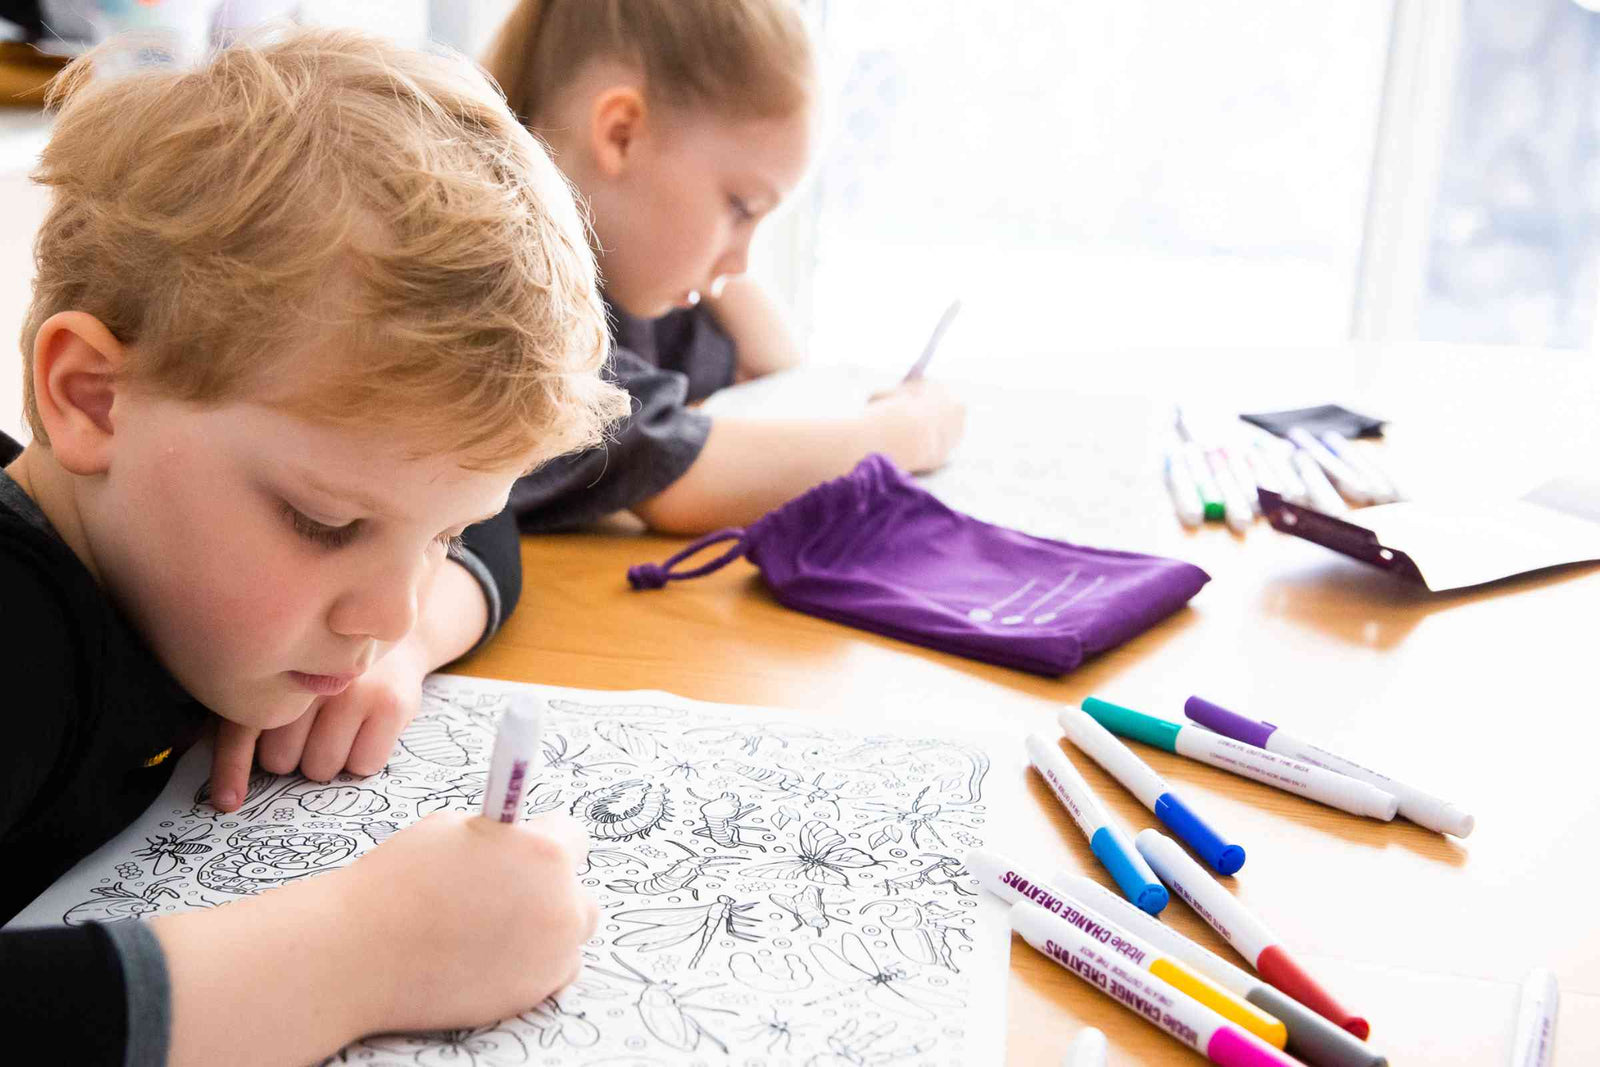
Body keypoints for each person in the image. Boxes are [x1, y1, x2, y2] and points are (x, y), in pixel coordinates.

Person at [0, 28, 628, 1067]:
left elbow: (497, 527)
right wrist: (365, 954)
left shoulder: (182, 565)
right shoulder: (18, 635)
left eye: (440, 533)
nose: (384, 606)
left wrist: (408, 643)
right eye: (327, 524)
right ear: (94, 399)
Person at [483, 0, 968, 534]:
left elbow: (773, 365)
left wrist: (710, 266)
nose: (742, 263)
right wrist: (907, 433)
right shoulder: (501, 289)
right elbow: (679, 479)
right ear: (621, 134)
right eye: (740, 207)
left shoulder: (624, 282)